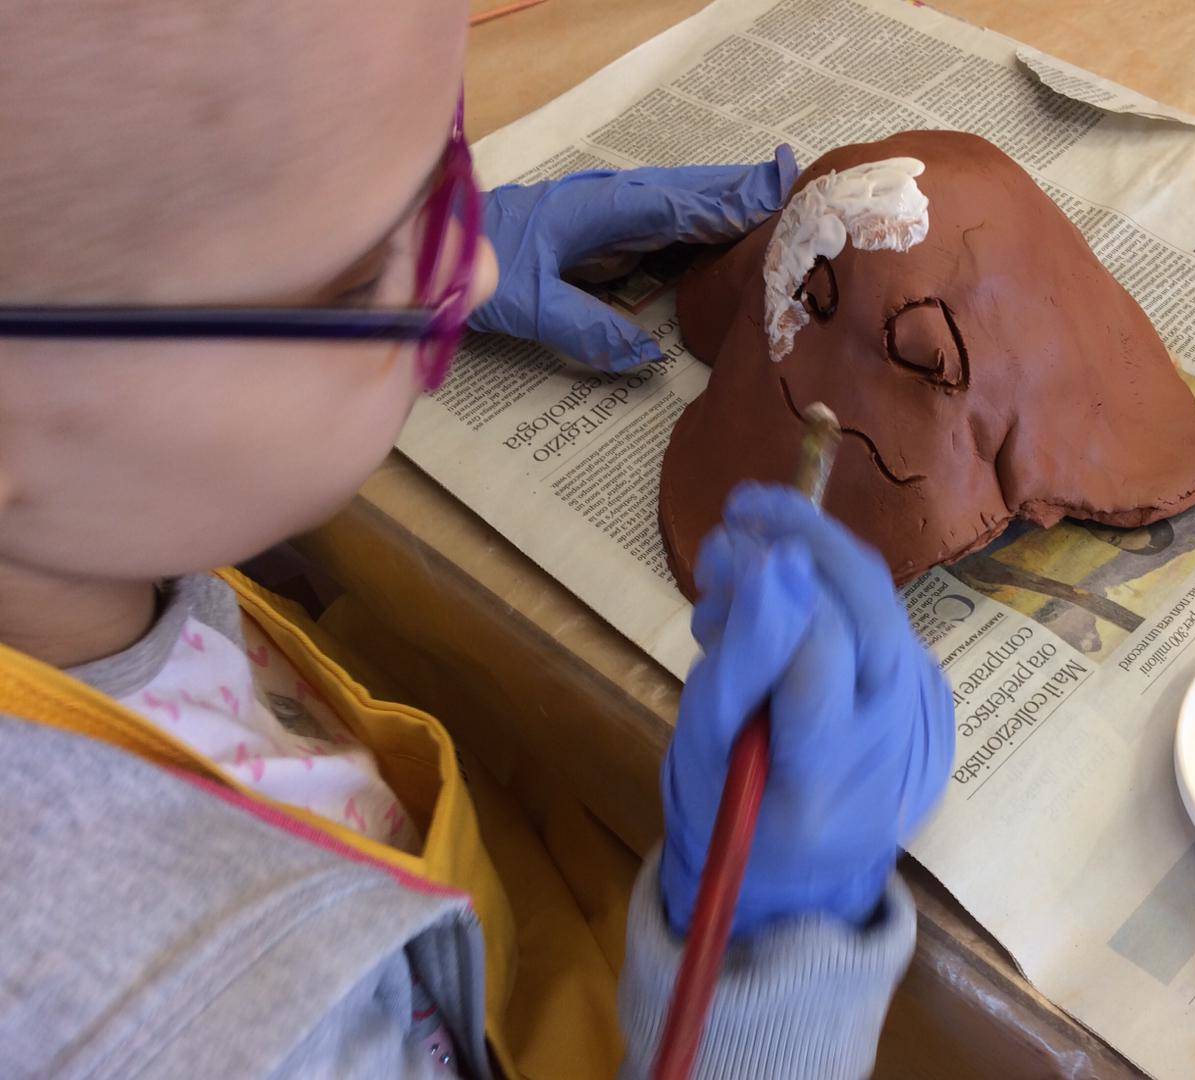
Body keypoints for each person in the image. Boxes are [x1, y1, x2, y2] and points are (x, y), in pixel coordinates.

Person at [0, 2, 954, 1077]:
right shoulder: (192, 1027)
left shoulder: (84, 529)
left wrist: (350, 221)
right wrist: (764, 966)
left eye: (449, 171)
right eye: (360, 279)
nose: (479, 273)